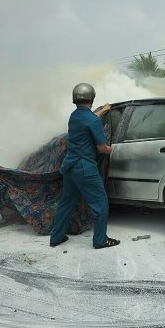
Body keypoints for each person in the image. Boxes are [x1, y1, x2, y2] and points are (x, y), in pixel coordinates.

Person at [49, 83, 119, 249]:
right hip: (85, 168)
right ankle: (100, 240)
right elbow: (101, 148)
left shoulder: (74, 116)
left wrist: (101, 111)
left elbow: (89, 119)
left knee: (66, 203)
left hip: (70, 167)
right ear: (92, 98)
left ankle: (56, 237)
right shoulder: (94, 120)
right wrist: (111, 149)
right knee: (100, 203)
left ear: (75, 99)